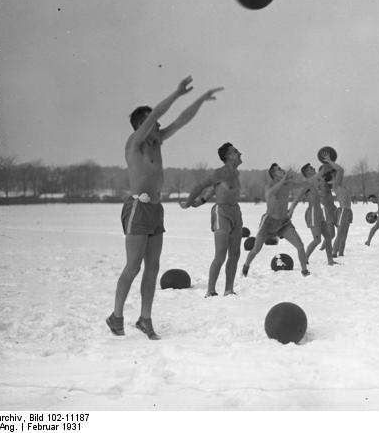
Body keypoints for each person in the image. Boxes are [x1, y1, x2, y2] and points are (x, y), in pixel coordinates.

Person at [107, 76, 223, 340]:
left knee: (153, 267)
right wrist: (177, 92)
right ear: (141, 124)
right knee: (133, 267)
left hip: (156, 209)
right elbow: (159, 112)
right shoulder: (135, 142)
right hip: (138, 206)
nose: (158, 124)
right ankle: (116, 316)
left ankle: (145, 319)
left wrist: (200, 100)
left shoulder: (157, 141)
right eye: (152, 121)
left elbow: (181, 120)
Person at [180, 142, 243, 297]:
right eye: (236, 151)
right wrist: (189, 203)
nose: (240, 153)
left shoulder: (235, 173)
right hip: (221, 212)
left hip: (236, 211)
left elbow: (215, 189)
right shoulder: (219, 172)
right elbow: (199, 186)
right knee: (221, 254)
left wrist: (201, 201)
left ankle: (229, 290)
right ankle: (210, 290)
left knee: (235, 254)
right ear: (228, 156)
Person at [242, 164, 314, 277]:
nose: (282, 170)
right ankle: (246, 265)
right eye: (279, 170)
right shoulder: (269, 185)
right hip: (268, 222)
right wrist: (283, 180)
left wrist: (320, 174)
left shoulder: (287, 184)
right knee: (256, 248)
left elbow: (305, 183)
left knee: (300, 245)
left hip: (283, 222)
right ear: (274, 174)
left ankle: (304, 271)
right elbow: (270, 194)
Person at [290, 163, 335, 265]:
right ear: (307, 172)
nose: (313, 168)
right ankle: (304, 258)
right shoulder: (307, 184)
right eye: (311, 168)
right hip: (312, 213)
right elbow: (297, 197)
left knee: (328, 237)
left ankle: (330, 260)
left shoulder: (316, 182)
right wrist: (291, 209)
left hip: (319, 213)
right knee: (317, 240)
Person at [322, 159, 353, 257]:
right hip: (342, 210)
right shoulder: (336, 185)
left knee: (344, 234)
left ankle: (341, 253)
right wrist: (329, 160)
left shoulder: (341, 185)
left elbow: (339, 171)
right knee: (340, 233)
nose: (339, 175)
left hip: (348, 211)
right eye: (335, 173)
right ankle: (333, 252)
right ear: (333, 175)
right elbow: (340, 170)